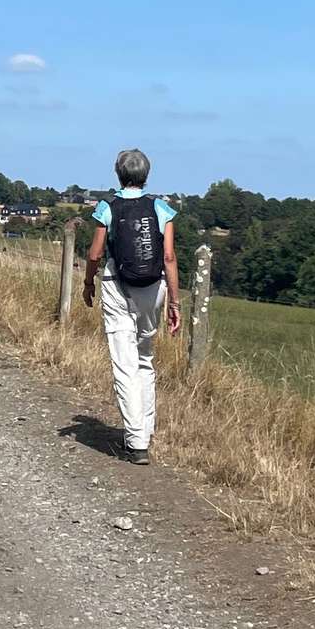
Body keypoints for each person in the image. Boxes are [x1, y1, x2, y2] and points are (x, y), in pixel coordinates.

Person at [83, 148, 180, 462]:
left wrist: (88, 283)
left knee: (124, 363)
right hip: (153, 289)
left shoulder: (107, 207)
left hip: (116, 286)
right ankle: (145, 428)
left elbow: (95, 254)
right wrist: (174, 302)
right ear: (146, 175)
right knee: (145, 357)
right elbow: (168, 257)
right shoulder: (161, 208)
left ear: (118, 174)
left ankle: (137, 441)